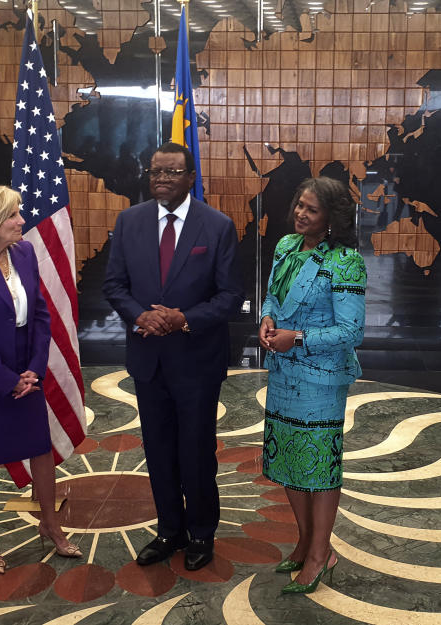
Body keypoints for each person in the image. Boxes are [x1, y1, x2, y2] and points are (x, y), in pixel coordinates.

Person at [103, 142, 244, 571]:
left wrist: (183, 318)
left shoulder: (217, 227)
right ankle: (169, 530)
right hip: (148, 360)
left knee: (196, 450)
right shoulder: (129, 222)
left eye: (171, 172)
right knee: (159, 449)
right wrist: (141, 316)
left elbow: (231, 296)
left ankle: (201, 532)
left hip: (196, 361)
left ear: (190, 177)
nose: (161, 179)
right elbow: (114, 286)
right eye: (155, 172)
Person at [0, 184, 82, 574]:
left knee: (40, 449)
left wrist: (34, 370)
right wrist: (8, 380)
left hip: (27, 372)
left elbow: (40, 315)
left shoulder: (24, 253)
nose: (22, 221)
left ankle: (50, 524)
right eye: (13, 215)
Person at [258, 177, 366, 593]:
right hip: (284, 374)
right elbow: (272, 297)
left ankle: (321, 553)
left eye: (312, 210)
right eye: (299, 205)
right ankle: (306, 542)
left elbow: (351, 330)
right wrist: (268, 320)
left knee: (319, 467)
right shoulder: (286, 247)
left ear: (331, 219)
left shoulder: (345, 262)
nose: (301, 214)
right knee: (288, 458)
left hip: (321, 379)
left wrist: (297, 338)